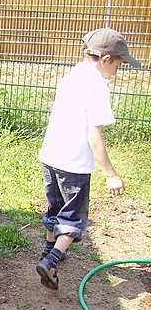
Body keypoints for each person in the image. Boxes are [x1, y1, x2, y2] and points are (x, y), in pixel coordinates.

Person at [36, 28, 139, 290]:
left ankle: (48, 248)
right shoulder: (97, 86)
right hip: (74, 164)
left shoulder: (72, 75)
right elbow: (95, 136)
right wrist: (111, 174)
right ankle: (51, 260)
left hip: (50, 156)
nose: (118, 70)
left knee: (55, 207)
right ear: (106, 59)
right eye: (119, 64)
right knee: (73, 217)